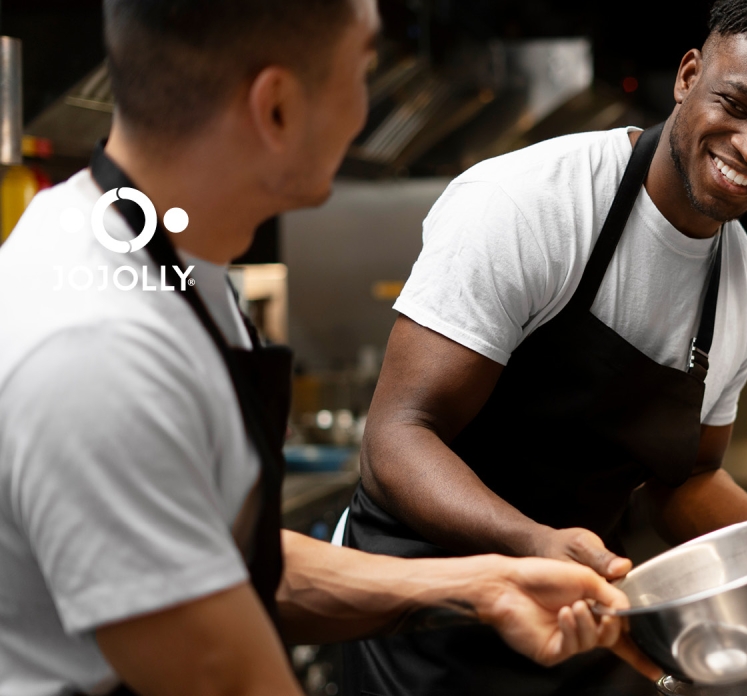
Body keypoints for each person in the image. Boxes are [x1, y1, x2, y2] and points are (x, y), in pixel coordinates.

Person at [0, 1, 648, 694]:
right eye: (363, 72)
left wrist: (488, 583)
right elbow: (227, 680)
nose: (367, 108)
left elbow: (226, 566)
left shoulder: (172, 268)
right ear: (275, 107)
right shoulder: (98, 349)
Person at [344, 0, 747, 693]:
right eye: (736, 105)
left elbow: (684, 486)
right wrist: (533, 541)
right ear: (688, 76)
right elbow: (397, 439)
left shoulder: (745, 291)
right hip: (424, 617)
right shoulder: (529, 204)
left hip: (579, 619)